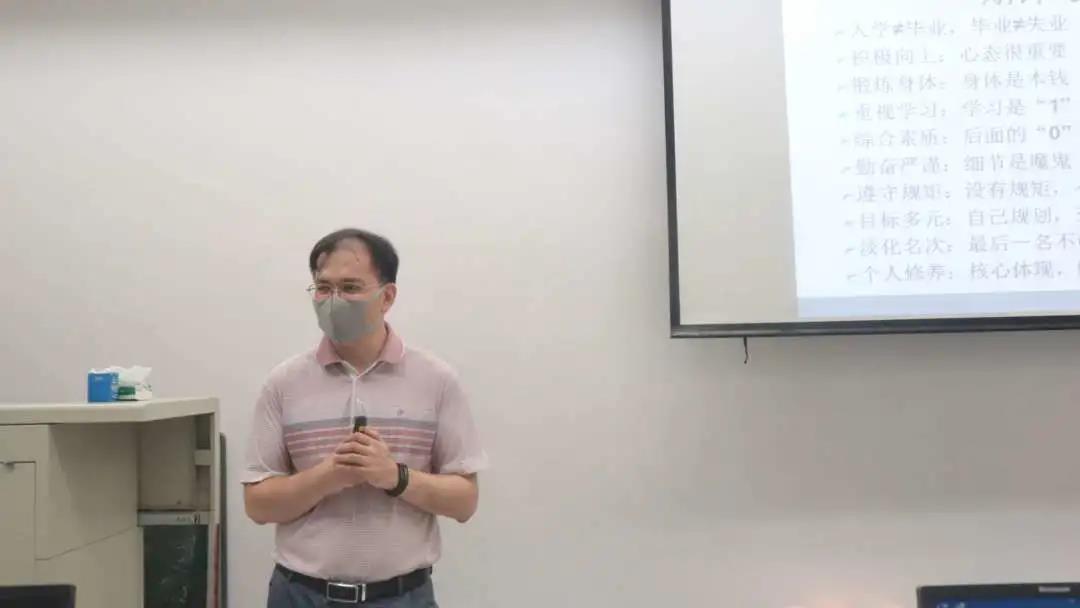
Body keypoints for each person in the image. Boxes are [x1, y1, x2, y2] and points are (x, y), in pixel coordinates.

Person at [242, 228, 488, 607]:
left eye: (351, 288)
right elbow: (258, 505)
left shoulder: (436, 380)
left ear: (387, 296)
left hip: (401, 596)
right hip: (300, 594)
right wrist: (328, 476)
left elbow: (464, 502)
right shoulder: (283, 383)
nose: (334, 300)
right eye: (323, 288)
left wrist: (395, 477)